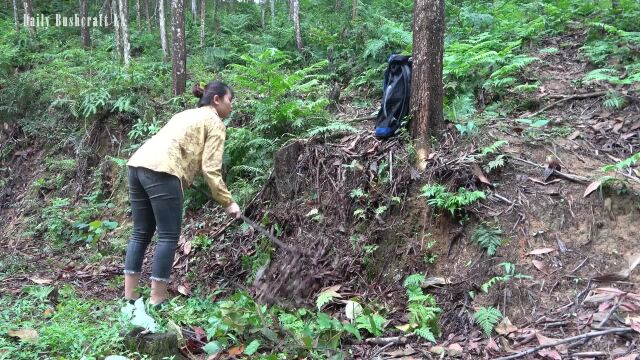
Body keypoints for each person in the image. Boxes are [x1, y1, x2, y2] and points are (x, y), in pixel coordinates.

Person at [123, 80, 241, 306]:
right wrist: (228, 202)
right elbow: (211, 169)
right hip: (164, 171)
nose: (231, 106)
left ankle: (130, 300)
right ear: (216, 100)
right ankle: (158, 300)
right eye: (230, 100)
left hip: (137, 165)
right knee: (167, 235)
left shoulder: (185, 114)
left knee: (140, 233)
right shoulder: (215, 122)